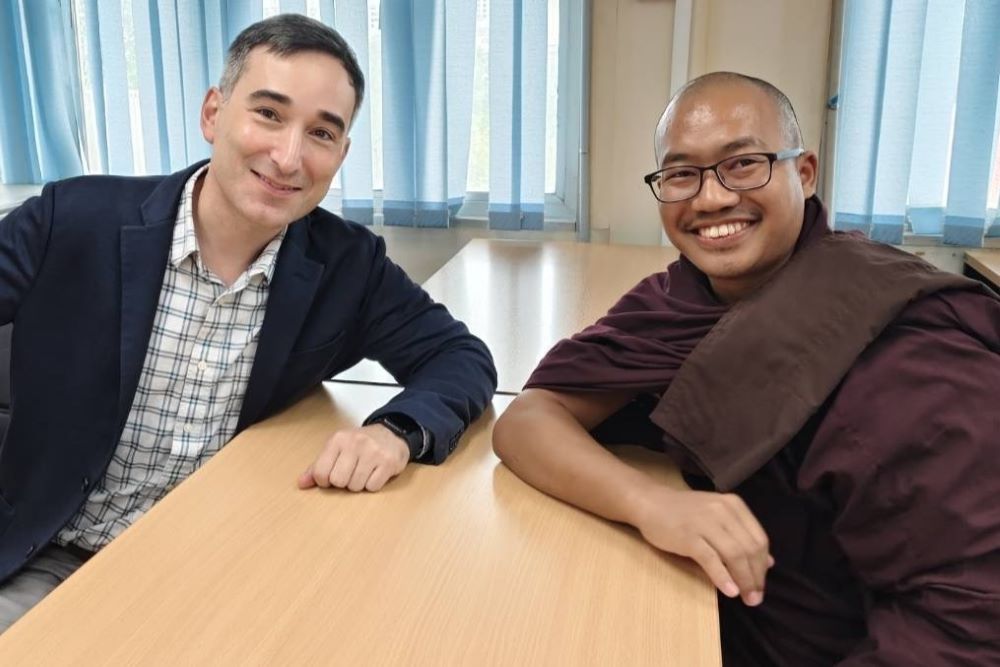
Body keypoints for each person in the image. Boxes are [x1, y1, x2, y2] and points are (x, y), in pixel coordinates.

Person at [0, 14, 496, 629]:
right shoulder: (71, 220)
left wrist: (395, 432)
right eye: (268, 113)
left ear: (340, 155)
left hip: (227, 560)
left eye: (320, 132)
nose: (288, 156)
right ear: (214, 113)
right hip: (53, 556)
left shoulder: (346, 264)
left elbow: (461, 358)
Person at [493, 72, 1000, 665]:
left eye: (743, 165)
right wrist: (650, 504)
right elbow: (527, 421)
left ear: (804, 173)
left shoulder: (910, 358)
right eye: (682, 174)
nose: (710, 200)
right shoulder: (680, 297)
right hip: (710, 611)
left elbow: (969, 624)